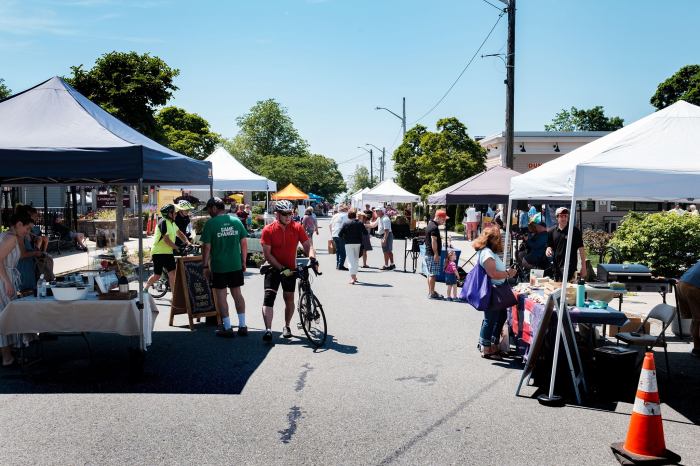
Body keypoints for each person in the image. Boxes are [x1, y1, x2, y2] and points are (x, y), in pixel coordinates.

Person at [260, 200, 318, 342]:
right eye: (284, 214)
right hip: (273, 268)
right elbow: (267, 254)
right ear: (277, 214)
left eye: (290, 213)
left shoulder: (297, 227)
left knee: (289, 299)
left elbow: (307, 245)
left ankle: (287, 326)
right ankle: (268, 330)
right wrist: (281, 268)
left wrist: (312, 258)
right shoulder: (268, 230)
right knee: (269, 297)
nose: (288, 216)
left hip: (290, 269)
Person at [200, 197, 248, 338]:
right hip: (235, 264)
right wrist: (243, 261)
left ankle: (227, 327)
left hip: (219, 266)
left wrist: (205, 266)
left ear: (214, 208)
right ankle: (242, 325)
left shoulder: (210, 224)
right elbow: (244, 243)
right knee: (237, 294)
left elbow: (206, 247)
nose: (209, 212)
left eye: (209, 209)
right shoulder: (236, 221)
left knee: (221, 296)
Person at [473, 227, 517, 359]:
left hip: (496, 289)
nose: (500, 240)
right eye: (499, 238)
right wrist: (508, 273)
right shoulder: (487, 253)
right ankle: (486, 348)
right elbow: (492, 274)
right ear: (492, 239)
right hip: (493, 290)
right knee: (491, 319)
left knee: (500, 316)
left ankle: (493, 344)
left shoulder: (487, 251)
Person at [0, 212, 35, 366]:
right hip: (4, 279)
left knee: (6, 316)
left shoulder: (7, 236)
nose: (27, 232)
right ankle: (7, 357)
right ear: (19, 224)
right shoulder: (11, 238)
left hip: (7, 277)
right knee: (5, 316)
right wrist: (7, 282)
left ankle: (9, 354)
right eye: (27, 228)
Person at [144, 204, 192, 295]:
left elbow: (179, 233)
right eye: (174, 213)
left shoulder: (172, 223)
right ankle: (145, 288)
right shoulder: (163, 222)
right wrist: (177, 248)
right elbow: (166, 239)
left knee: (172, 274)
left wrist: (187, 242)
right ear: (169, 214)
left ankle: (174, 297)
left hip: (168, 252)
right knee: (157, 276)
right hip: (158, 253)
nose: (175, 214)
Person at [546, 207, 586, 282]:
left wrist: (583, 266)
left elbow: (581, 249)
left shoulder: (574, 231)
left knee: (568, 288)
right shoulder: (552, 231)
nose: (564, 218)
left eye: (565, 216)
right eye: (561, 216)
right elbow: (549, 246)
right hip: (556, 266)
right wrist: (548, 250)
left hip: (570, 266)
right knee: (558, 288)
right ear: (557, 217)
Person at [676, 260, 700, 358]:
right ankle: (697, 349)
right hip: (694, 287)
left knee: (696, 319)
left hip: (682, 284)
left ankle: (697, 348)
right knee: (698, 318)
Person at [424, 209, 448, 298]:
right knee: (433, 274)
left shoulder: (430, 224)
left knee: (430, 273)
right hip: (432, 254)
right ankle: (431, 293)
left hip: (428, 253)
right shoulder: (434, 227)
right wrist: (436, 254)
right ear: (438, 217)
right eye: (443, 219)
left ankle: (431, 291)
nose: (444, 221)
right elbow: (433, 241)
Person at [339, 209, 366, 284]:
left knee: (350, 260)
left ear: (348, 216)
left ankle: (353, 277)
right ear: (355, 215)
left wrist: (345, 236)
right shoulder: (360, 223)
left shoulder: (346, 223)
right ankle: (355, 276)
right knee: (356, 259)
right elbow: (365, 232)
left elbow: (340, 234)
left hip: (348, 243)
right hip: (358, 243)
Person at [329, 205, 348, 270]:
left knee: (338, 250)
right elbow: (347, 225)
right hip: (341, 235)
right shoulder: (346, 215)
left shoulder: (335, 215)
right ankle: (340, 265)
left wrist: (332, 234)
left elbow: (330, 225)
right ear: (345, 210)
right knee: (343, 251)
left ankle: (338, 264)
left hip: (334, 234)